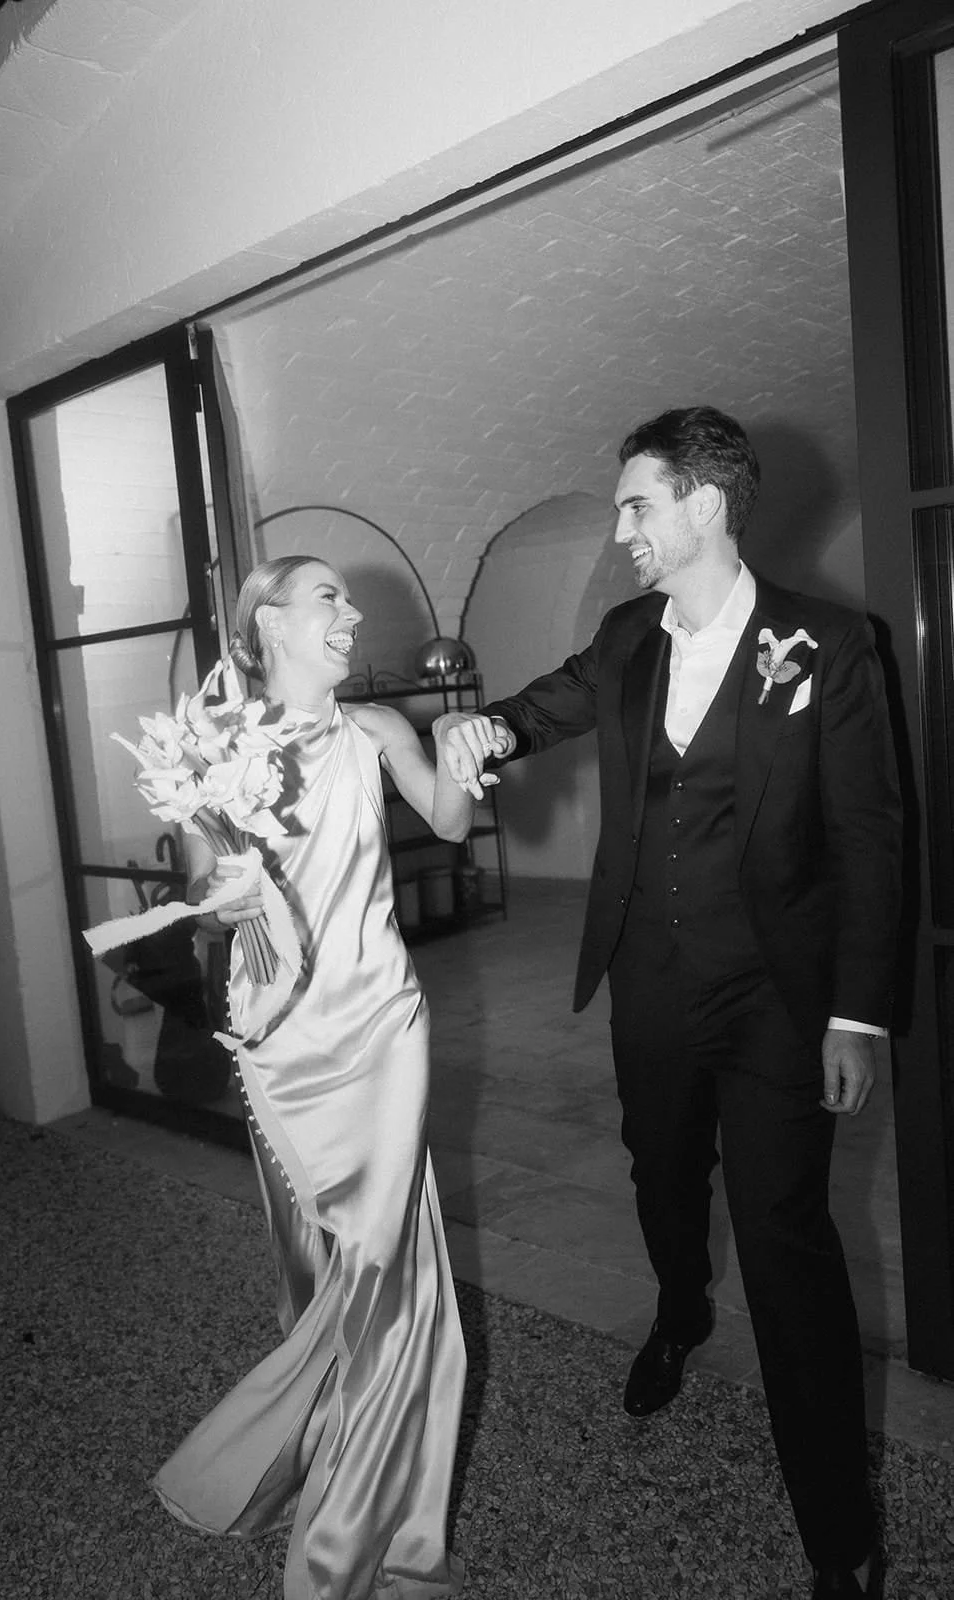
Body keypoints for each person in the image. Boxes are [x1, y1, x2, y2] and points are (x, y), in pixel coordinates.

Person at [436, 407, 901, 1600]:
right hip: (646, 979)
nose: (623, 527)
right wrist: (485, 726)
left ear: (704, 504)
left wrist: (857, 1013)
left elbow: (868, 838)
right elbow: (547, 704)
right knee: (658, 1172)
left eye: (637, 504)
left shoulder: (829, 644)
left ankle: (837, 1538)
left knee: (789, 1242)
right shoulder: (628, 634)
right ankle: (680, 1305)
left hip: (775, 1001)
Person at [153, 555, 505, 1600]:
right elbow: (203, 897)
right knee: (313, 1269)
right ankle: (322, 1441)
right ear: (267, 623)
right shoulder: (216, 746)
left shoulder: (377, 728)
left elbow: (446, 819)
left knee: (391, 1278)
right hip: (278, 1039)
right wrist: (220, 851)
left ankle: (365, 1545)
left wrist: (465, 744)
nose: (350, 614)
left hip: (381, 1026)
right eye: (326, 598)